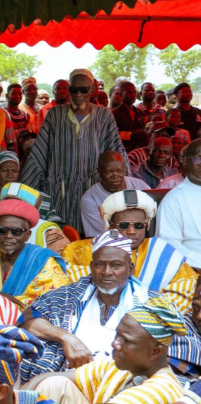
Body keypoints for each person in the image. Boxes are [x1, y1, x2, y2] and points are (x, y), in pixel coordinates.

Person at [20, 230, 201, 382]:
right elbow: (28, 319)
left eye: (116, 265)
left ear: (130, 269)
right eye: (100, 264)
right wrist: (66, 338)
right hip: (67, 380)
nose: (107, 272)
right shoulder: (69, 295)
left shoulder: (153, 303)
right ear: (91, 267)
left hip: (125, 385)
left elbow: (184, 347)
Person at [25, 294, 186, 404]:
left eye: (127, 341)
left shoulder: (162, 387)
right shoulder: (121, 364)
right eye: (118, 335)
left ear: (155, 352)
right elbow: (54, 377)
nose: (115, 344)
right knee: (54, 384)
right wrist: (19, 398)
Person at [21, 68, 126, 232]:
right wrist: (25, 192)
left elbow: (116, 152)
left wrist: (123, 184)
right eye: (73, 89)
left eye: (83, 90)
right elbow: (39, 154)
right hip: (60, 189)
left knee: (93, 234)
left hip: (93, 186)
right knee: (62, 234)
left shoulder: (104, 116)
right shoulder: (54, 115)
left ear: (92, 90)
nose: (78, 94)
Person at [63, 189, 198, 315]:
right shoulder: (80, 251)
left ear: (147, 225)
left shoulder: (164, 254)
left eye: (139, 226)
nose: (131, 231)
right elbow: (66, 288)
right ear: (110, 225)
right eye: (124, 225)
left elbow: (186, 291)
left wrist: (138, 315)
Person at [0, 177, 69, 254]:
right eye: (7, 205)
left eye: (16, 231)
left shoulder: (49, 232)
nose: (8, 235)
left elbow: (61, 263)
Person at [79, 151, 152, 238]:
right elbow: (101, 235)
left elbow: (153, 216)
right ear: (99, 172)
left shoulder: (139, 186)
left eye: (119, 171)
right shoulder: (90, 199)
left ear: (124, 169)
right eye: (109, 171)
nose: (115, 175)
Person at [158, 139, 201, 267]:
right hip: (193, 271)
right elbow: (168, 244)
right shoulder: (174, 199)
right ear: (185, 162)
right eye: (197, 159)